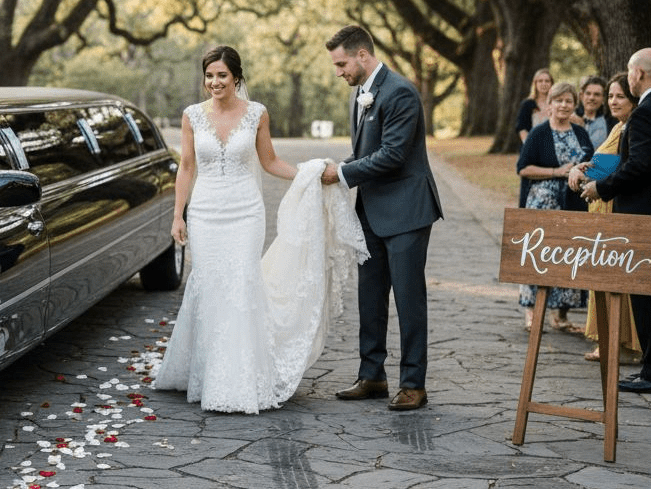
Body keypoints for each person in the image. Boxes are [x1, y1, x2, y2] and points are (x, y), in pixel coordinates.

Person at [155, 46, 368, 413]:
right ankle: (207, 372)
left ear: (237, 78)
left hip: (245, 213)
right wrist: (178, 215)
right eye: (209, 75)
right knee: (209, 285)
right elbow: (187, 167)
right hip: (205, 212)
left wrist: (309, 173)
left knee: (240, 284)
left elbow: (269, 162)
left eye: (222, 75)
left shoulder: (257, 114)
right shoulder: (192, 116)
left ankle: (238, 380)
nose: (215, 82)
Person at [321, 25, 443, 411]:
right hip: (371, 212)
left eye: (341, 64)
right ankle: (372, 374)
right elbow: (364, 151)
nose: (338, 72)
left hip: (407, 210)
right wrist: (341, 167)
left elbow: (392, 154)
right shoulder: (361, 93)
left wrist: (340, 174)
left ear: (362, 55)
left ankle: (413, 383)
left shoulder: (401, 92)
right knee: (370, 296)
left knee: (409, 299)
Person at [581, 48, 651, 396]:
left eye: (629, 73)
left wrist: (600, 187)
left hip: (645, 220)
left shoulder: (646, 113)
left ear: (638, 74)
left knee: (649, 295)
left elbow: (638, 167)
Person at [569, 73, 641, 363]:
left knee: (614, 279)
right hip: (599, 211)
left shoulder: (632, 128)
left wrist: (586, 172)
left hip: (614, 210)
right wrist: (580, 167)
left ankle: (621, 344)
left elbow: (621, 169)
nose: (612, 101)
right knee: (600, 279)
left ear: (633, 98)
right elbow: (603, 163)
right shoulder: (618, 127)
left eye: (619, 96)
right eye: (610, 96)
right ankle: (609, 340)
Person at [516, 81, 594, 333]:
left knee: (569, 256)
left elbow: (590, 164)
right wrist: (557, 171)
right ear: (549, 104)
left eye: (568, 101)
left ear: (574, 105)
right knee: (537, 257)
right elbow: (523, 168)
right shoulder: (538, 133)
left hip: (572, 204)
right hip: (542, 203)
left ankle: (561, 315)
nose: (563, 105)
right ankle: (531, 312)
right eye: (558, 100)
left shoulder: (581, 133)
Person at [573, 76, 614, 148]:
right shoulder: (571, 116)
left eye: (597, 94)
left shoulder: (605, 124)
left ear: (603, 99)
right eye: (588, 93)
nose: (591, 98)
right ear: (582, 96)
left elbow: (589, 151)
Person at [516, 68, 554, 142]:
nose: (544, 84)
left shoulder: (556, 103)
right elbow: (522, 128)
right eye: (540, 81)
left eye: (547, 81)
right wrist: (529, 146)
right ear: (535, 84)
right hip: (532, 144)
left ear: (551, 84)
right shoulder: (527, 104)